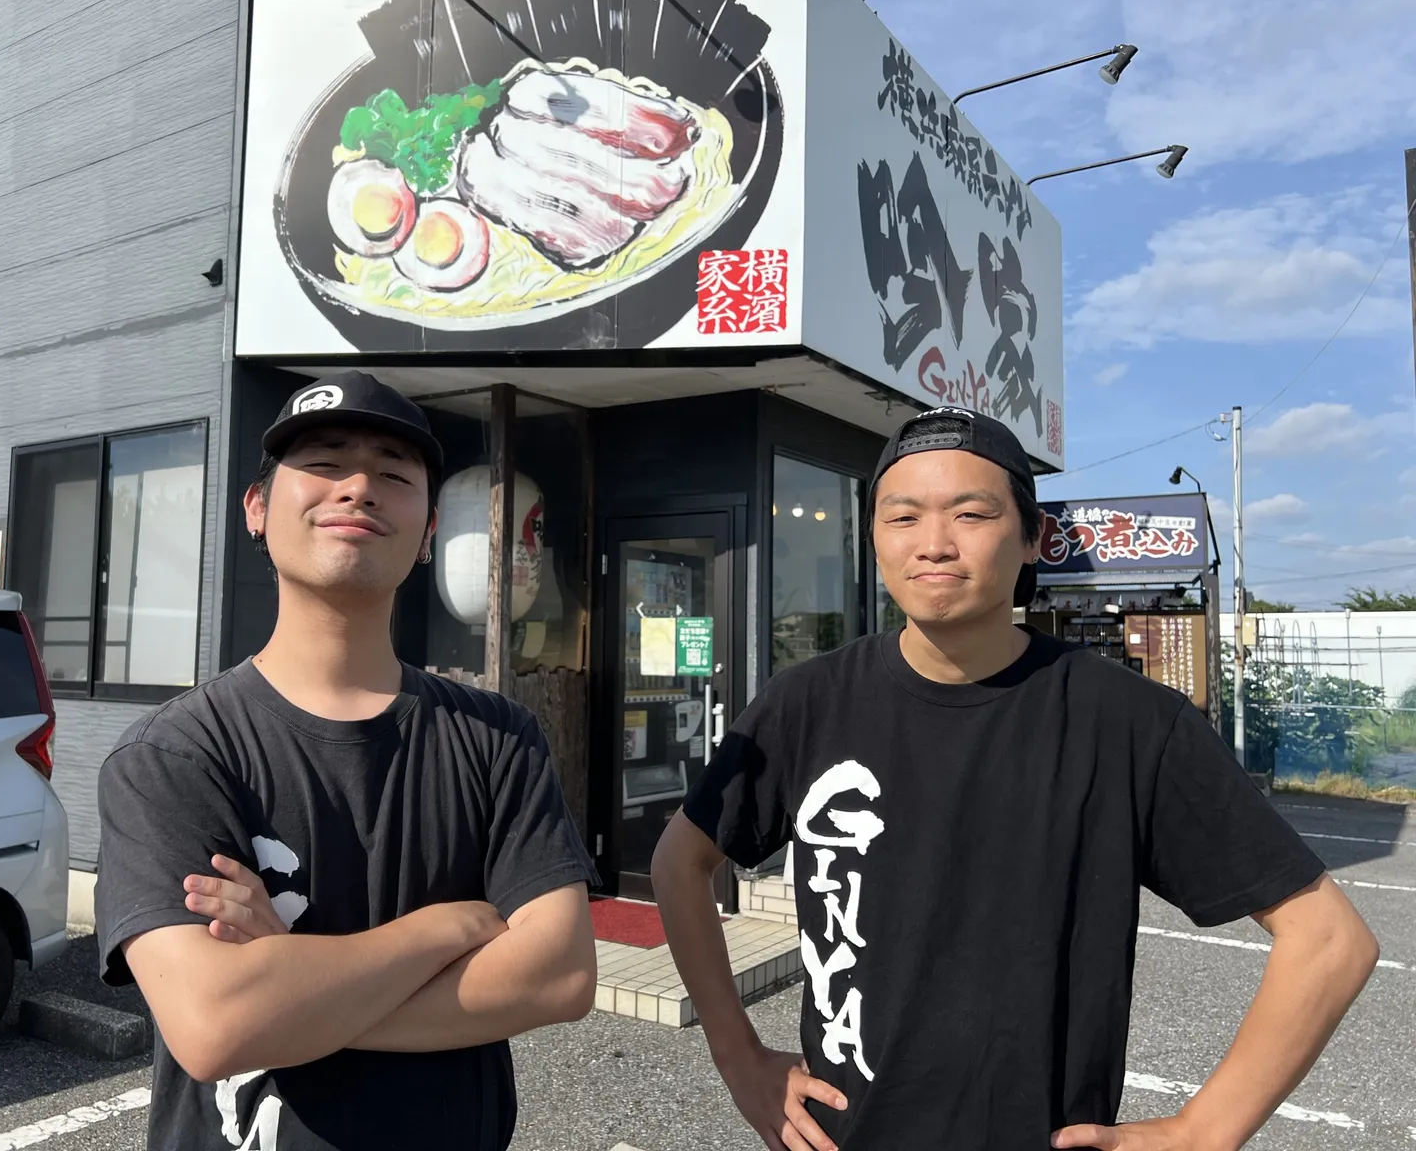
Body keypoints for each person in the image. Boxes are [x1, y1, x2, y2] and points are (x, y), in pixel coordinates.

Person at [652, 405, 1379, 1151]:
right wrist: (737, 1055)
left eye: (972, 513)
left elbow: (1328, 940)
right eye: (902, 516)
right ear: (872, 537)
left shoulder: (1129, 722)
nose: (934, 544)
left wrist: (1204, 1130)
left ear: (1034, 538)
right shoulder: (805, 704)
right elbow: (681, 860)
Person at [93, 370, 599, 1150]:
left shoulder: (498, 737)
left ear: (428, 533)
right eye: (325, 465)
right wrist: (442, 928)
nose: (358, 487)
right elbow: (215, 1024)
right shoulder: (174, 754)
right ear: (257, 510)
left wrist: (291, 981)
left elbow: (558, 975)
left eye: (393, 476)